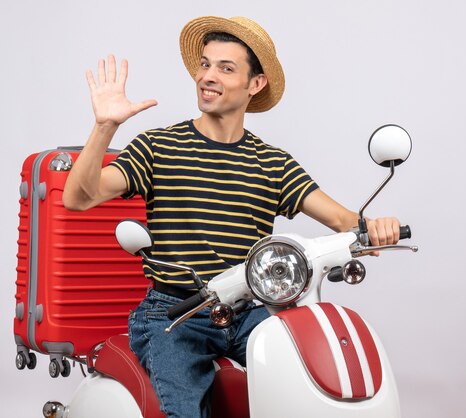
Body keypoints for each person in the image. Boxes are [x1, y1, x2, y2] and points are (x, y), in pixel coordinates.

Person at [63, 15, 402, 418]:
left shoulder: (273, 163)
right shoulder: (160, 146)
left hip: (251, 310)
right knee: (184, 411)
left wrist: (373, 227)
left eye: (226, 68)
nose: (208, 76)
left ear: (254, 84)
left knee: (304, 383)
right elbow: (79, 197)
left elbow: (343, 220)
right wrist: (105, 127)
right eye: (205, 64)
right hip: (177, 313)